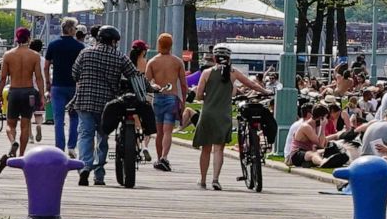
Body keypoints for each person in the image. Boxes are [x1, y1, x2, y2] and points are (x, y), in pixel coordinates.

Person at [70, 26, 139, 186]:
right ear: (114, 41)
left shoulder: (85, 53)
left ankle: (85, 167)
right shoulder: (119, 57)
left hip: (85, 101)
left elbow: (75, 74)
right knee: (103, 138)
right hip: (107, 105)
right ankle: (99, 175)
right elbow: (134, 76)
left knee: (85, 135)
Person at [192, 45, 269, 190]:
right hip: (224, 115)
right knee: (219, 149)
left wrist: (207, 96)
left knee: (206, 149)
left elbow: (198, 95)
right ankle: (215, 179)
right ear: (229, 58)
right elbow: (251, 84)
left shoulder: (207, 73)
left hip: (208, 113)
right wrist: (265, 91)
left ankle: (203, 180)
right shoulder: (233, 73)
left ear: (214, 58)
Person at [145, 33, 188, 173]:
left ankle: (159, 158)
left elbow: (146, 82)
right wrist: (184, 101)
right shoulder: (177, 62)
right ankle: (164, 157)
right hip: (172, 98)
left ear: (159, 44)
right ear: (171, 46)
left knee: (159, 132)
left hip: (158, 98)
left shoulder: (152, 62)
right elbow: (183, 84)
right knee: (168, 131)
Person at [0, 27, 45, 159]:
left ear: (16, 38)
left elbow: (3, 78)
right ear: (29, 38)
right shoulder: (35, 56)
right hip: (29, 92)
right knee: (25, 125)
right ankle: (21, 155)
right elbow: (38, 77)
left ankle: (13, 141)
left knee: (10, 124)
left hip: (14, 91)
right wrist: (42, 95)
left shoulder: (8, 55)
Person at [45, 17, 84, 157]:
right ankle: (72, 146)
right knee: (74, 117)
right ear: (72, 29)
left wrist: (48, 83)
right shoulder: (80, 47)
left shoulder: (53, 45)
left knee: (58, 119)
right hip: (74, 86)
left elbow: (46, 65)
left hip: (57, 86)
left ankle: (59, 148)